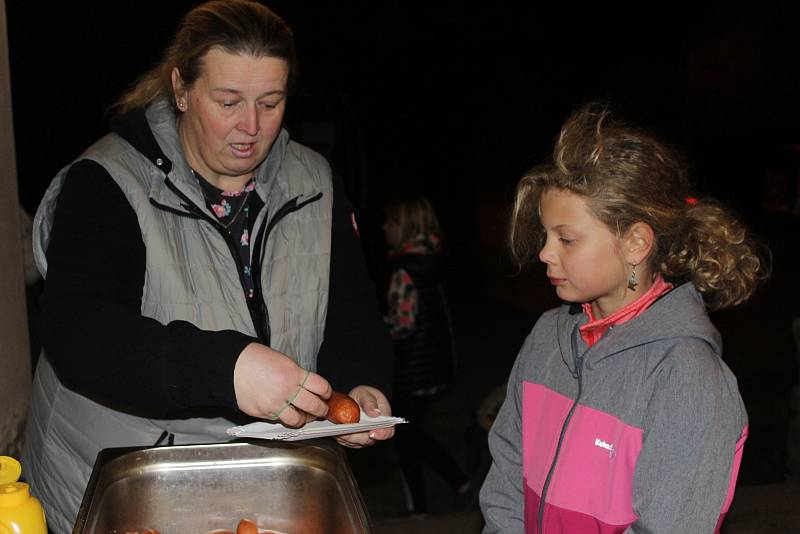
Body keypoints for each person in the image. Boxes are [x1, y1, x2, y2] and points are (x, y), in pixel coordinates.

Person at [23, 2, 394, 531]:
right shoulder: (107, 180)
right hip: (119, 479)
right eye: (228, 101)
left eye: (271, 102)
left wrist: (362, 384)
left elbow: (352, 313)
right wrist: (226, 368)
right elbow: (78, 332)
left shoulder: (315, 182)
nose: (251, 126)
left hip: (257, 482)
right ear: (181, 88)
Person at [479, 104, 766, 533]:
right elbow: (506, 480)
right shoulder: (545, 338)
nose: (544, 252)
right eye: (544, 235)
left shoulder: (686, 375)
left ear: (635, 243)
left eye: (567, 239)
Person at [382, 195, 470, 515]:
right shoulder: (432, 261)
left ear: (404, 227)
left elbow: (402, 326)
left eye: (390, 222)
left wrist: (378, 328)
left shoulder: (404, 271)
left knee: (405, 438)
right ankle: (459, 479)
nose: (383, 227)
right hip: (434, 364)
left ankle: (417, 509)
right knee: (412, 432)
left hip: (413, 370)